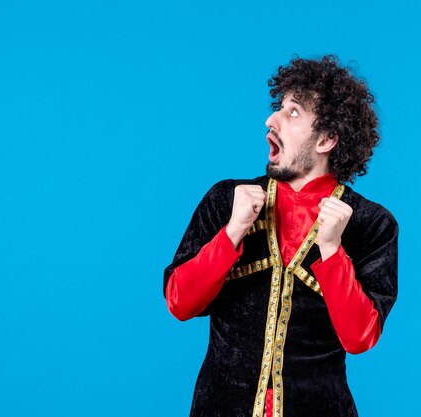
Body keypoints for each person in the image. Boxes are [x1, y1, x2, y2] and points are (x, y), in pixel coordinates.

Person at [163, 55, 399, 417]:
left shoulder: (372, 224)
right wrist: (232, 232)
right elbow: (180, 302)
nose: (271, 120)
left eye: (293, 112)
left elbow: (360, 337)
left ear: (327, 139)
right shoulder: (227, 199)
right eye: (279, 107)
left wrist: (333, 251)